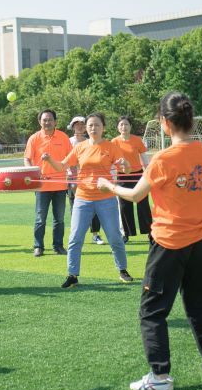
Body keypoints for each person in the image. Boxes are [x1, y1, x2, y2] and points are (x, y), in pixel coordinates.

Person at [98, 92, 202, 390]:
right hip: (199, 239)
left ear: (165, 123)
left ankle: (160, 377)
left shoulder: (163, 159)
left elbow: (134, 195)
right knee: (198, 305)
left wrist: (107, 185)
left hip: (170, 243)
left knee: (151, 311)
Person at [43, 113, 133, 287]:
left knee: (114, 237)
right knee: (75, 237)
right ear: (86, 128)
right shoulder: (80, 147)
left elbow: (127, 170)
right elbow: (62, 166)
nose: (93, 128)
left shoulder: (111, 147)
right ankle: (72, 274)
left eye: (97, 125)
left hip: (106, 198)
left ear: (103, 128)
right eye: (90, 125)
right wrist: (49, 159)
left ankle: (122, 269)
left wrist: (126, 164)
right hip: (83, 198)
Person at [24, 109, 73, 257]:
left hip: (60, 185)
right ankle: (38, 246)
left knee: (59, 218)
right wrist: (31, 173)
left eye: (50, 119)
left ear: (55, 121)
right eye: (44, 120)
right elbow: (27, 158)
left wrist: (71, 171)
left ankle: (58, 246)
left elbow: (71, 158)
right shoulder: (34, 138)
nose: (47, 122)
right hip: (41, 186)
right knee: (40, 218)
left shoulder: (64, 137)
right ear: (40, 122)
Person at [111, 116, 152, 243]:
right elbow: (111, 161)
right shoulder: (114, 142)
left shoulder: (137, 140)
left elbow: (144, 158)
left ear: (130, 126)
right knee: (124, 206)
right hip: (122, 176)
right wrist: (112, 177)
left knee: (143, 204)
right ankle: (126, 233)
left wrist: (149, 173)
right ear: (118, 127)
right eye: (121, 124)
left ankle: (150, 233)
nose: (124, 127)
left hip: (138, 176)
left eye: (126, 124)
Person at [67, 115, 104, 244]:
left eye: (82, 124)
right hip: (72, 178)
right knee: (75, 206)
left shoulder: (91, 141)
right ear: (72, 127)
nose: (80, 126)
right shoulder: (69, 141)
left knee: (95, 207)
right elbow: (67, 162)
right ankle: (76, 235)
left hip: (89, 180)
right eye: (76, 124)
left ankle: (95, 234)